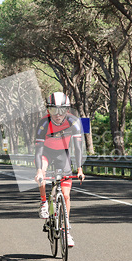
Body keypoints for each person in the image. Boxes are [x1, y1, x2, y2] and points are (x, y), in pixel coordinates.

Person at [34, 92, 85, 247]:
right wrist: (39, 171)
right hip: (46, 154)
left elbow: (77, 148)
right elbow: (38, 151)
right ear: (48, 110)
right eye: (53, 110)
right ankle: (44, 203)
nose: (58, 114)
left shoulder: (74, 122)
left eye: (61, 110)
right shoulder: (43, 123)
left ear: (67, 110)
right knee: (41, 174)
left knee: (66, 195)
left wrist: (80, 169)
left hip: (63, 156)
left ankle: (66, 232)